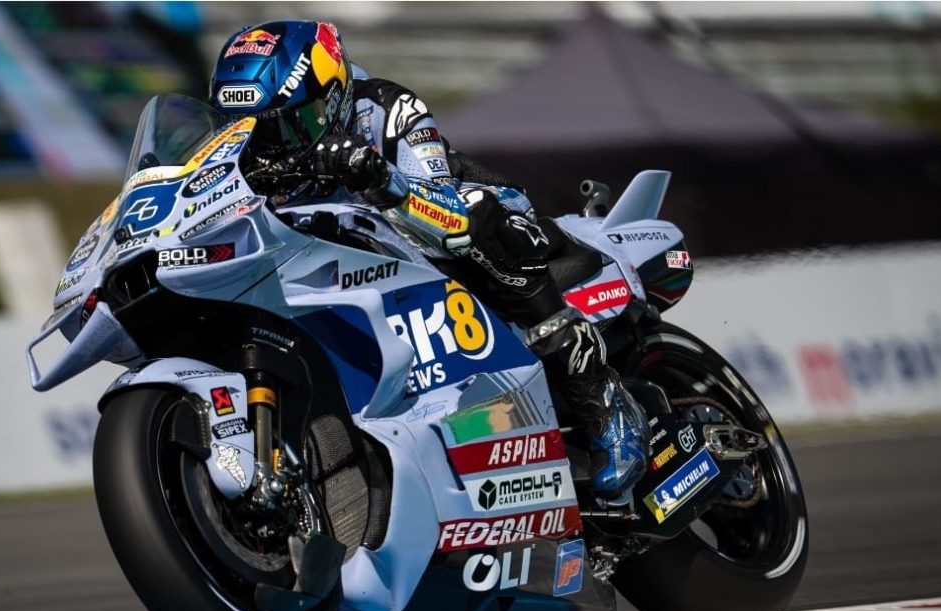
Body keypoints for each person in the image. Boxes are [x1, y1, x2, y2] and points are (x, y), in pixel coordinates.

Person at [208, 20, 647, 503]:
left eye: (291, 124)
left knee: (477, 218)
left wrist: (378, 178)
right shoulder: (246, 155)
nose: (273, 146)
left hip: (448, 232)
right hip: (345, 272)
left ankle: (601, 399)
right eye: (253, 131)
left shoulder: (386, 109)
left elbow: (449, 215)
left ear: (333, 98)